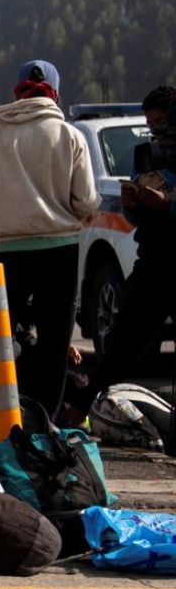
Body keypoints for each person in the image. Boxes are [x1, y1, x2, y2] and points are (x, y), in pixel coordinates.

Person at [0, 60, 100, 417]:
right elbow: (86, 201)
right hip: (60, 249)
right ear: (54, 93)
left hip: (9, 250)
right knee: (54, 344)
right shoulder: (70, 136)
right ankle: (45, 423)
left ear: (16, 93)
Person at [68, 87, 176, 419]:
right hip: (155, 262)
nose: (158, 132)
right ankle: (82, 408)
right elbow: (135, 215)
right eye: (151, 124)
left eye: (163, 123)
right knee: (123, 341)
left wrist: (167, 203)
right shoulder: (147, 156)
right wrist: (134, 206)